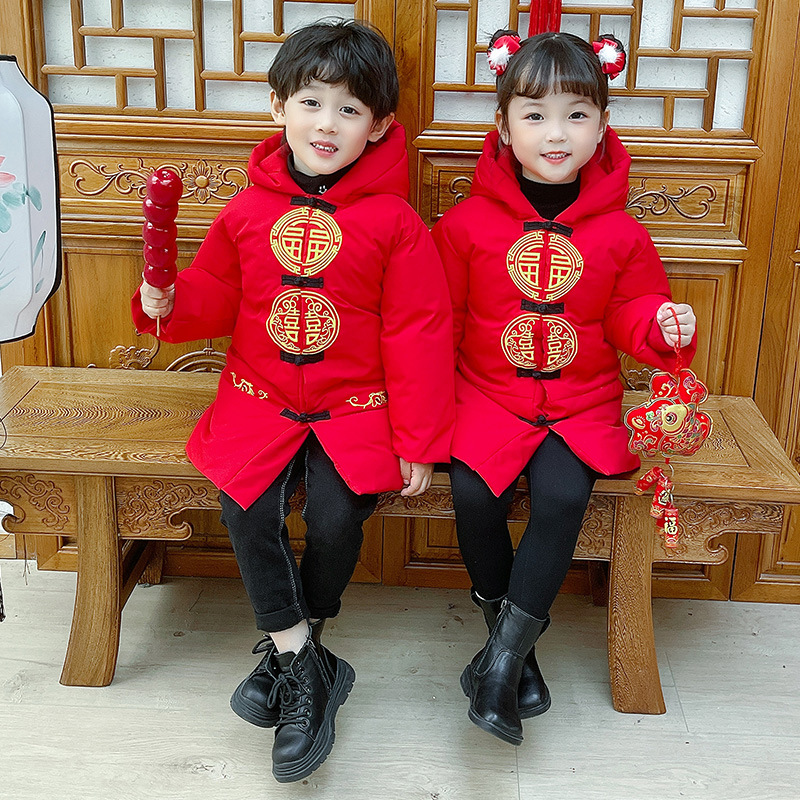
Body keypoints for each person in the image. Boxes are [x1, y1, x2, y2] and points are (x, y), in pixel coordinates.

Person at [132, 20, 454, 782]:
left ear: (379, 126)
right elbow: (215, 294)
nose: (327, 124)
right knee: (247, 508)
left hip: (356, 409)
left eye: (349, 109)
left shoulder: (397, 224)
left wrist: (418, 438)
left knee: (339, 517)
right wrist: (166, 300)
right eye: (311, 102)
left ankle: (291, 653)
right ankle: (306, 667)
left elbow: (418, 331)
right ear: (279, 107)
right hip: (260, 398)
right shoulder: (246, 210)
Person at [431, 30, 697, 746]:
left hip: (579, 404)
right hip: (486, 397)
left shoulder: (622, 234)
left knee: (561, 496)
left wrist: (662, 323)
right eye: (535, 115)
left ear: (602, 127)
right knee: (472, 495)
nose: (556, 134)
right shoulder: (464, 226)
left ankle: (498, 670)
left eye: (577, 115)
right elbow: (439, 325)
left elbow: (631, 311)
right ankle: (511, 652)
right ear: (503, 126)